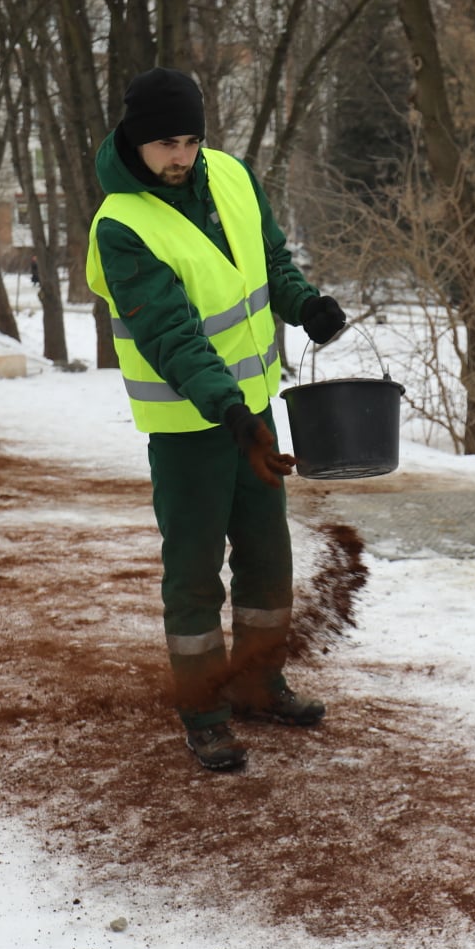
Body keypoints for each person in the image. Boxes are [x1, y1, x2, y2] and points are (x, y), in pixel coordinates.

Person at [85, 67, 347, 772]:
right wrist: (227, 407)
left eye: (193, 139)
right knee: (196, 571)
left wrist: (306, 305)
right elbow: (170, 334)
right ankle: (203, 710)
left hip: (252, 410)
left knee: (267, 555)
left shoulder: (230, 176)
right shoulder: (122, 225)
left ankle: (261, 685)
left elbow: (270, 262)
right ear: (138, 142)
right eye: (168, 142)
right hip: (189, 427)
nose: (183, 156)